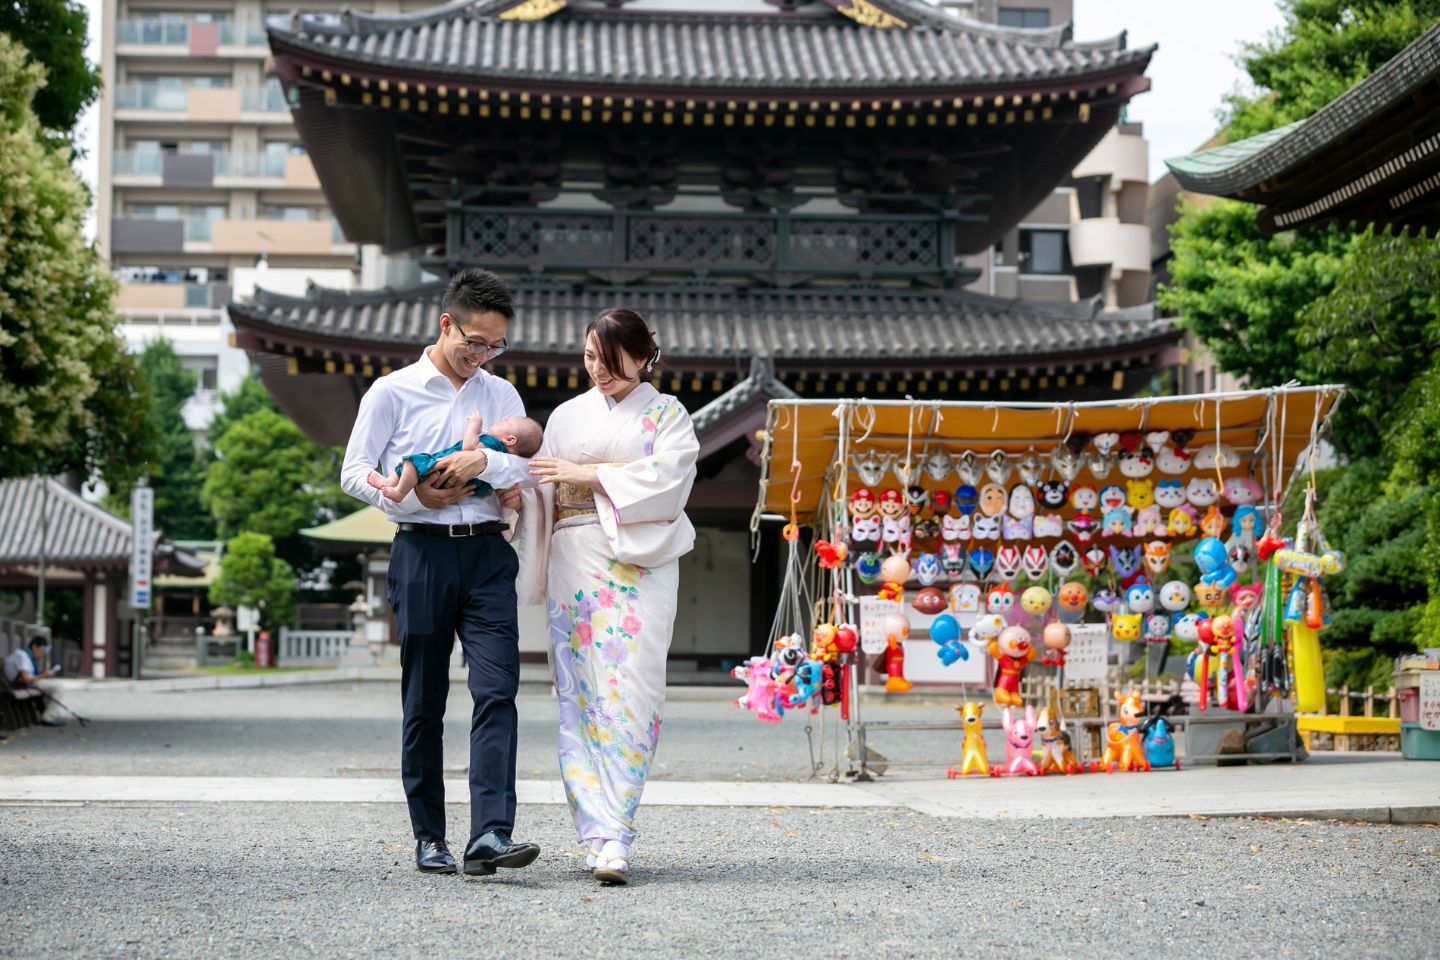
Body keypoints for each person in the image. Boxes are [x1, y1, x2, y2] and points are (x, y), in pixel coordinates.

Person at [340, 268, 540, 878]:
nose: (482, 356)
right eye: (474, 342)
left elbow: (525, 469)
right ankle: (430, 836)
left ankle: (491, 833)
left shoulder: (500, 396)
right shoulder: (391, 391)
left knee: (497, 689)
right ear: (445, 324)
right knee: (423, 699)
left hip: (485, 555)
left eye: (495, 346)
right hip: (421, 552)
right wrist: (411, 500)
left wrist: (484, 460)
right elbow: (353, 471)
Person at [515, 307, 699, 885]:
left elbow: (672, 481)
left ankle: (617, 825)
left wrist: (590, 474)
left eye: (614, 360)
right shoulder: (567, 416)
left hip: (639, 563)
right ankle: (600, 835)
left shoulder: (669, 415)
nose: (599, 369)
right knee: (578, 692)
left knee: (633, 690)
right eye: (591, 356)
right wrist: (515, 499)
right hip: (575, 557)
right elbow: (544, 489)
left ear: (646, 356)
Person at [367, 413, 544, 504]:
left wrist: (474, 427)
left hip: (442, 469)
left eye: (503, 423)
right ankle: (389, 483)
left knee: (411, 463)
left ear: (510, 439)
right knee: (409, 467)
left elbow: (469, 448)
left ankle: (398, 491)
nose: (497, 422)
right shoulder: (503, 452)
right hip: (466, 486)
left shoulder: (493, 444)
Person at [3, 637, 65, 727]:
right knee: (58, 687)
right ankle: (48, 718)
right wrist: (44, 675)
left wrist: (43, 674)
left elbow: (28, 675)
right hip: (21, 685)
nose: (43, 654)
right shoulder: (22, 656)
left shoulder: (26, 656)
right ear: (35, 647)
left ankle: (49, 714)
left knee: (54, 686)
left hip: (21, 684)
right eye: (42, 650)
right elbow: (26, 679)